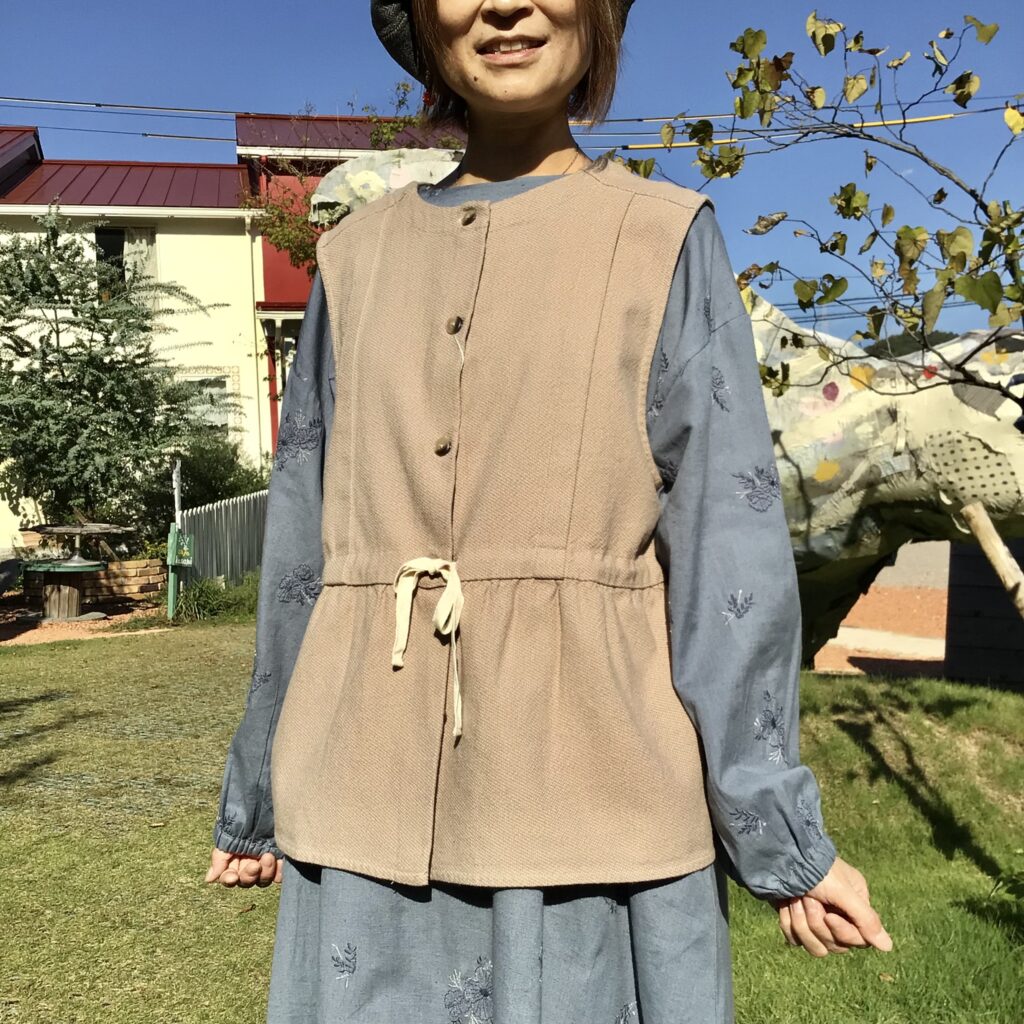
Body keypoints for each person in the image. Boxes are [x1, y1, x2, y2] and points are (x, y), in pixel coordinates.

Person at [205, 2, 893, 1021]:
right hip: (360, 803)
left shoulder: (661, 237)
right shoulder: (352, 261)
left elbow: (727, 551)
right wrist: (258, 793)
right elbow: (303, 545)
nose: (504, 5)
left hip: (596, 807)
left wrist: (780, 836)